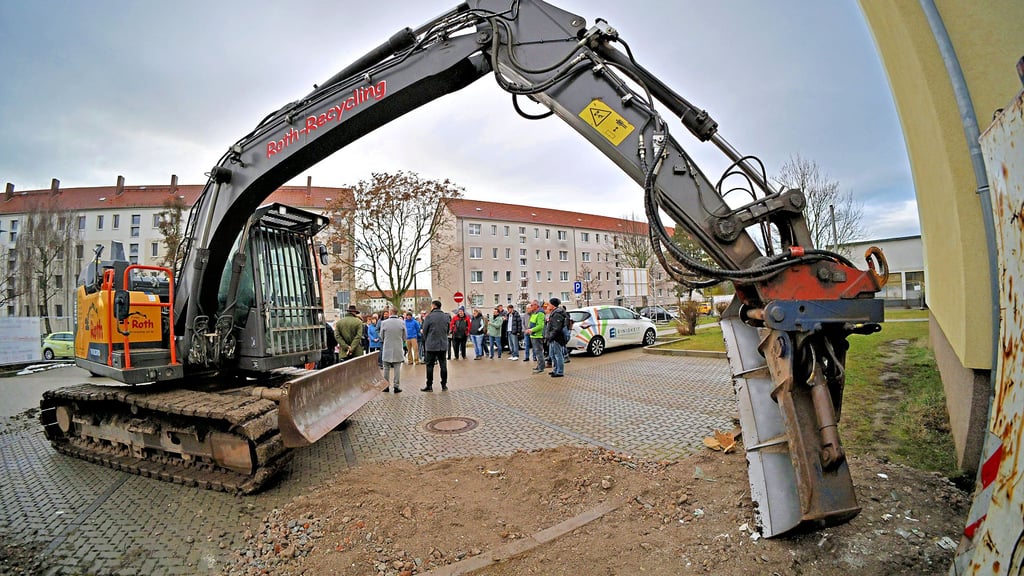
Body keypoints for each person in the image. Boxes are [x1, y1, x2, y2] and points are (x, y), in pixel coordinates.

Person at [420, 300, 450, 391]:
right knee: (443, 365)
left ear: (433, 306)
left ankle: (429, 385)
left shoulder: (429, 317)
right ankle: (444, 385)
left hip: (431, 345)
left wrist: (427, 339)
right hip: (442, 344)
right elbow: (447, 330)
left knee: (429, 365)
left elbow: (424, 331)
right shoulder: (446, 317)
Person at [378, 308, 406, 393]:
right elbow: (405, 336)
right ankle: (396, 387)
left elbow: (381, 336)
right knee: (397, 368)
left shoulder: (384, 323)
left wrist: (386, 340)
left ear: (390, 313)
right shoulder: (402, 322)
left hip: (387, 348)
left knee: (386, 368)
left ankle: (386, 387)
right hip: (398, 348)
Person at [544, 297, 568, 378]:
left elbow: (556, 328)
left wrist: (551, 336)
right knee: (553, 355)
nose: (548, 305)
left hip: (556, 338)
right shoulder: (554, 313)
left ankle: (560, 371)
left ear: (553, 305)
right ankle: (555, 370)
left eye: (549, 304)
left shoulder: (557, 314)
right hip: (553, 338)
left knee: (558, 355)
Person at [524, 300, 546, 373]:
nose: (531, 306)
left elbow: (540, 325)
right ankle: (539, 366)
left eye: (532, 305)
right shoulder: (534, 313)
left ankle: (541, 368)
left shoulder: (540, 314)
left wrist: (531, 330)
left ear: (536, 305)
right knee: (537, 352)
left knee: (539, 352)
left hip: (537, 336)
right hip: (533, 336)